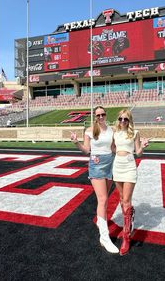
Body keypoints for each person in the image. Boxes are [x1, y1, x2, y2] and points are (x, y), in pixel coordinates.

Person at [70, 106, 119, 254]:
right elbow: (86, 150)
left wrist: (127, 149)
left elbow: (114, 148)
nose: (101, 117)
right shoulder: (90, 131)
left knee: (105, 199)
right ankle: (104, 237)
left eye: (103, 114)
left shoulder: (112, 130)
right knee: (103, 199)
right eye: (98, 115)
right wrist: (76, 142)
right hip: (96, 164)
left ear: (106, 115)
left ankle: (101, 220)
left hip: (110, 163)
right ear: (94, 117)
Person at [113, 109, 149, 256]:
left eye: (125, 119)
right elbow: (112, 149)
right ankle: (129, 218)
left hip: (129, 166)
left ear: (129, 121)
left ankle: (126, 236)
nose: (122, 121)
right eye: (121, 119)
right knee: (121, 200)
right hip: (117, 166)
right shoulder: (114, 133)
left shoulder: (135, 132)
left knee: (126, 200)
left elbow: (138, 152)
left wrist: (143, 147)